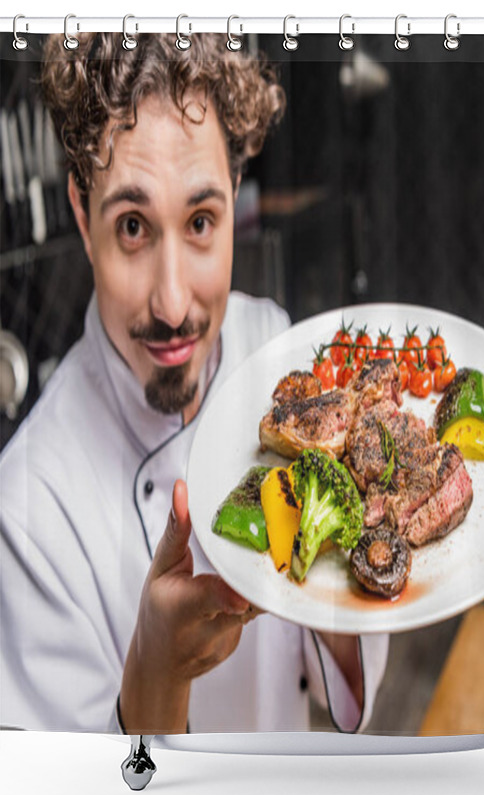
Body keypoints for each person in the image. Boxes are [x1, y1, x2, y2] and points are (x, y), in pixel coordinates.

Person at [0, 33, 388, 736]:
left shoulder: (273, 348)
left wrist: (339, 556)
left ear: (236, 197)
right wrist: (153, 675)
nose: (174, 304)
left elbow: (349, 684)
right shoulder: (27, 509)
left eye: (202, 221)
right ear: (83, 218)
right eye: (132, 228)